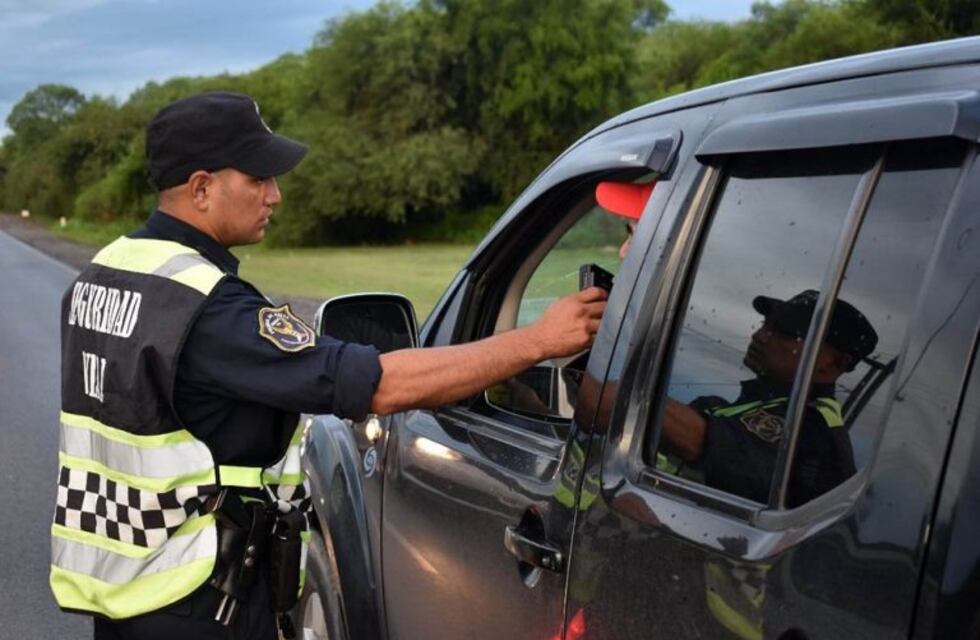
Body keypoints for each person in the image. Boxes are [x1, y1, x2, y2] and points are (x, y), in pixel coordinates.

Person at [51, 92, 607, 640]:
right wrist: (537, 340)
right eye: (258, 179)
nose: (276, 195)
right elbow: (380, 386)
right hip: (199, 598)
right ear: (202, 188)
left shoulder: (107, 271)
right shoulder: (208, 309)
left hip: (128, 586)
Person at [594, 180, 877, 507]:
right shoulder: (745, 402)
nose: (760, 335)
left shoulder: (813, 432)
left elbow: (702, 440)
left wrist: (610, 393)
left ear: (834, 363)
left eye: (785, 332)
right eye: (765, 324)